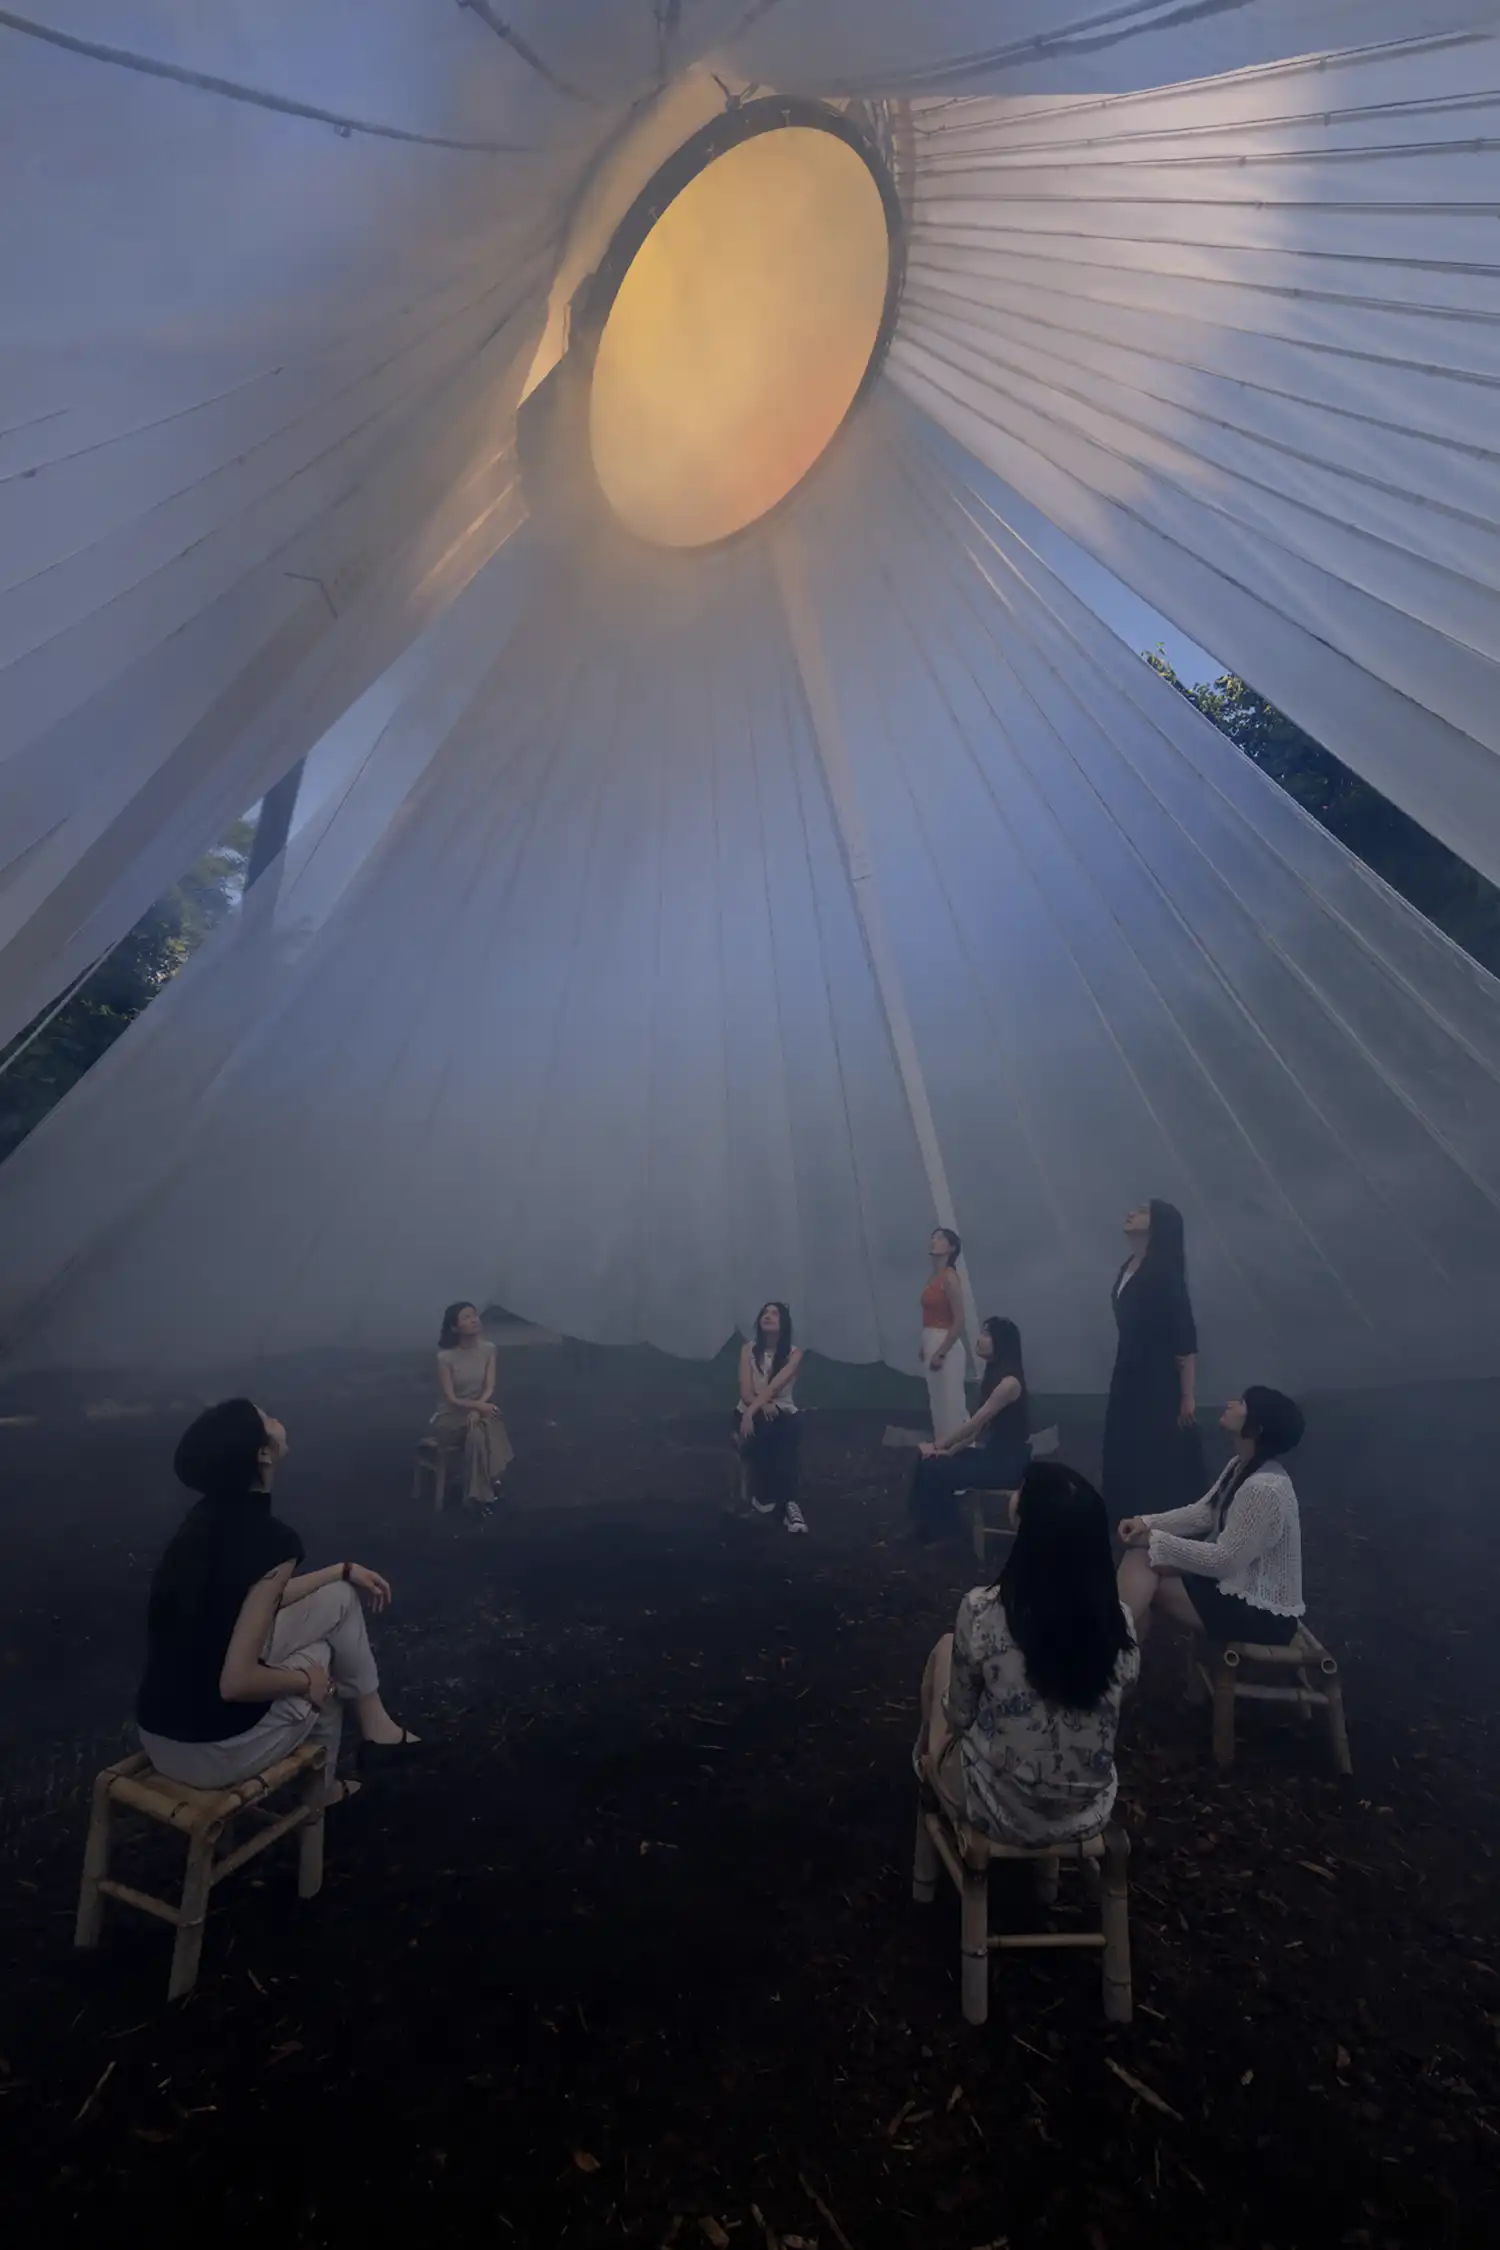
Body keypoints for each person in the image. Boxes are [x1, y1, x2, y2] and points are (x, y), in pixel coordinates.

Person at [136, 1399, 417, 1806]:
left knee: (338, 1597)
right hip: (210, 1752)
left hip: (159, 1730)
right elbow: (237, 1683)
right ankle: (321, 1794)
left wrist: (340, 1570)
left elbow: (252, 1601)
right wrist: (307, 1682)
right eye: (266, 1418)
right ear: (262, 1453)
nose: (277, 1418)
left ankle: (377, 1727)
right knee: (320, 1659)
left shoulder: (203, 1519)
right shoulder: (272, 1541)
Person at [915, 1461, 1139, 1846]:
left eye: (1021, 1491)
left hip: (996, 1804)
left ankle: (926, 1768)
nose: (1013, 1496)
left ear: (1027, 1523)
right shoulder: (1119, 1622)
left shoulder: (984, 1610)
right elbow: (1120, 1695)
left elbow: (960, 1714)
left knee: (944, 1650)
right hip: (1087, 1809)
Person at [1117, 1387, 1306, 1647]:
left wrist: (1155, 1540)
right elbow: (1204, 1513)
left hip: (1260, 1613)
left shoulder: (1264, 1489)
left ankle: (1109, 1653)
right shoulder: (1241, 1465)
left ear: (1256, 1428)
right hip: (1233, 1588)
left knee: (1144, 1571)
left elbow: (1223, 1560)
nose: (1230, 1403)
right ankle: (1117, 1655)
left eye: (1241, 1403)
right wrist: (1146, 1523)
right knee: (1140, 1559)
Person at [1102, 1200, 1204, 1518]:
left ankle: (1156, 1523)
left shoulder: (1164, 1272)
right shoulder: (1129, 1265)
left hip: (1156, 1376)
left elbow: (1184, 1337)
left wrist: (1187, 1395)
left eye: (1142, 1210)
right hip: (1128, 1370)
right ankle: (1128, 1516)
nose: (1131, 1212)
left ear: (1157, 1224)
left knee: (1153, 1448)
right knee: (1127, 1443)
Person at [908, 1315, 1030, 1544]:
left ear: (1000, 1342)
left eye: (986, 1333)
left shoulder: (1009, 1383)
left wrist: (938, 1445)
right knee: (928, 1461)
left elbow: (974, 1423)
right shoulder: (994, 1375)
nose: (979, 1338)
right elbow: (976, 1430)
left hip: (1008, 1464)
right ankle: (927, 1527)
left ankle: (947, 1532)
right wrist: (948, 1452)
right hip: (994, 1455)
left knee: (937, 1470)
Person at [735, 1301, 807, 1535]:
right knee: (767, 1424)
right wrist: (754, 1409)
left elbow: (775, 1387)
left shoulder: (795, 1354)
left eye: (774, 1313)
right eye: (764, 1312)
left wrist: (758, 1406)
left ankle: (789, 1504)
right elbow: (745, 1391)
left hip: (780, 1411)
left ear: (784, 1323)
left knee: (789, 1427)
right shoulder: (748, 1350)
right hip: (748, 1410)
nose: (768, 1316)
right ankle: (764, 1493)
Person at [435, 1301, 513, 1511]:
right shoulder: (445, 1357)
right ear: (454, 1327)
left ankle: (477, 1496)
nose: (473, 1320)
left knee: (478, 1434)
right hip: (451, 1416)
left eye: (474, 1315)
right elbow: (451, 1398)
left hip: (480, 1409)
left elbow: (490, 1386)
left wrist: (479, 1408)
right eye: (466, 1317)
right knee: (482, 1427)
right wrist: (477, 1407)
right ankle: (491, 1484)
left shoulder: (489, 1349)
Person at [919, 1226, 968, 1443]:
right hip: (931, 1337)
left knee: (950, 1401)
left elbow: (959, 1320)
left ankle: (957, 1445)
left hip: (945, 1340)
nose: (933, 1241)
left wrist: (941, 1352)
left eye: (940, 1239)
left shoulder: (950, 1278)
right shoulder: (934, 1277)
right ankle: (944, 1443)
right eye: (933, 1238)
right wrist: (925, 1345)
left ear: (952, 1247)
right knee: (938, 1399)